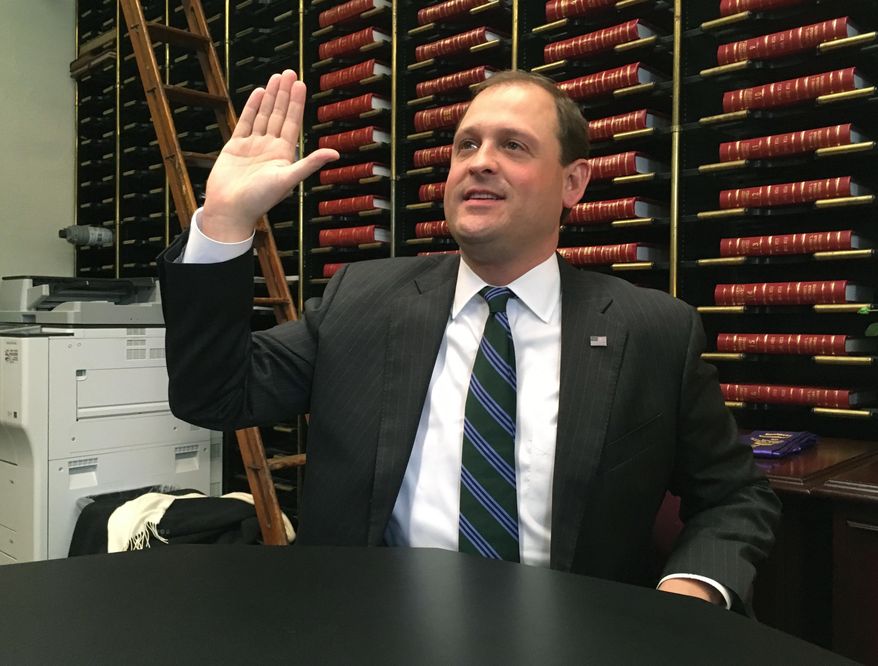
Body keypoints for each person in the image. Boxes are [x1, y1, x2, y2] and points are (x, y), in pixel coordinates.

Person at [158, 69, 780, 612]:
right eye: (466, 145)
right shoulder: (362, 301)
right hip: (372, 631)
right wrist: (225, 222)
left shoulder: (652, 331)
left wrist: (690, 593)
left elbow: (733, 493)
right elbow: (213, 394)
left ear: (573, 183)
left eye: (513, 146)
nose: (480, 160)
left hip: (578, 640)